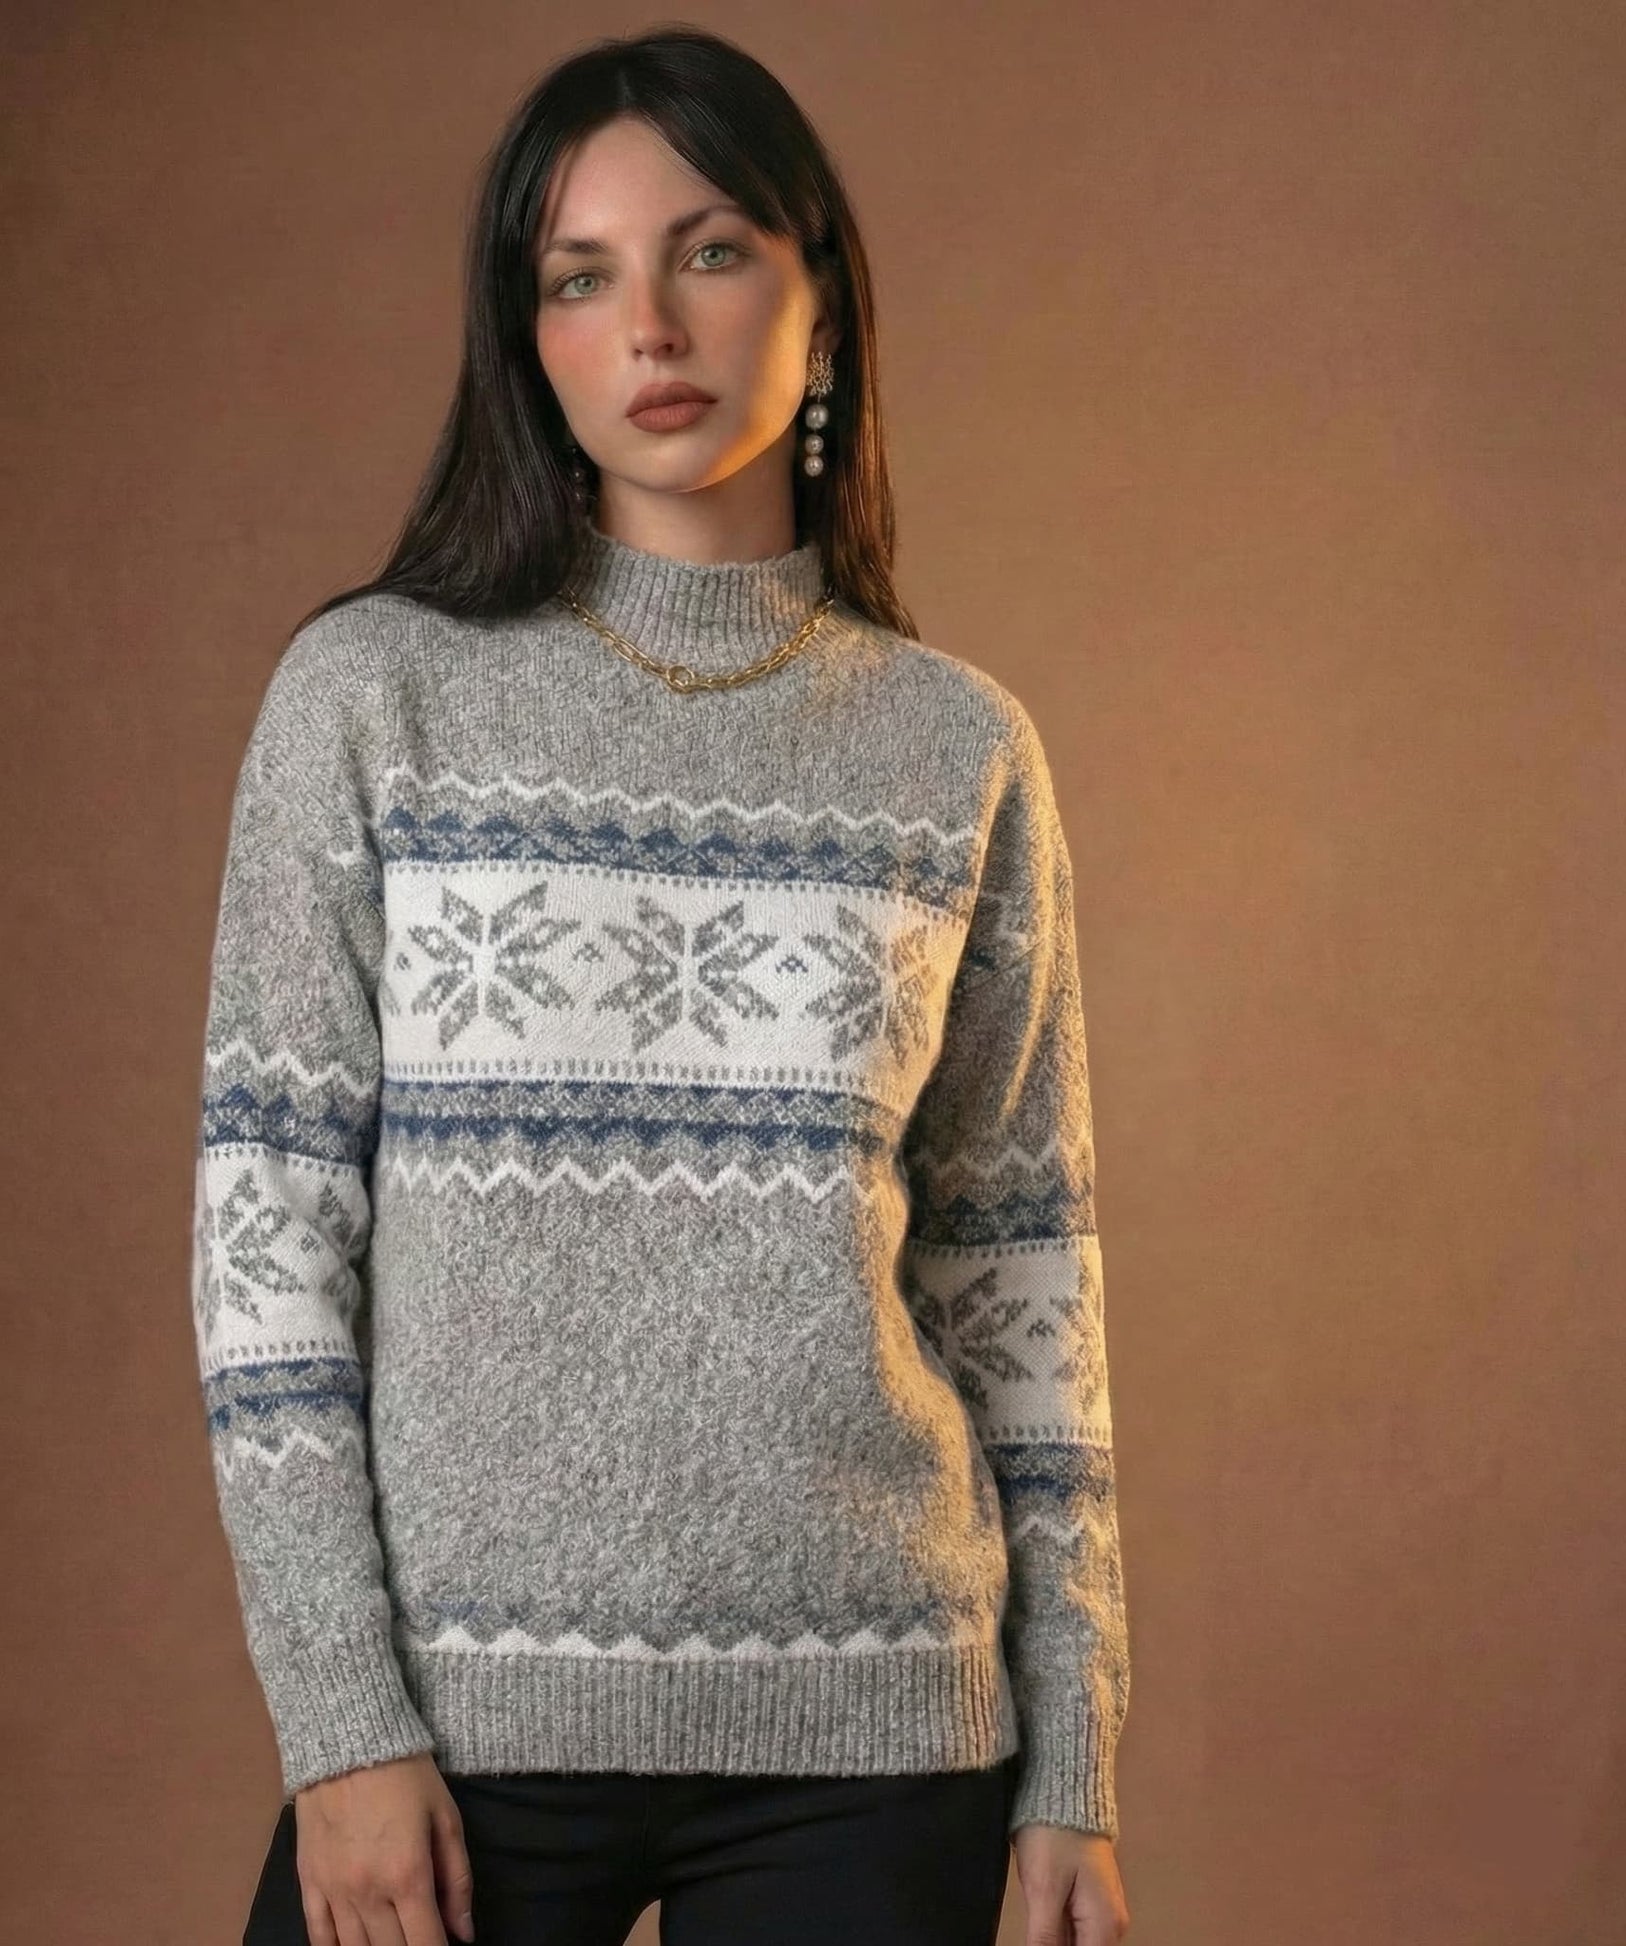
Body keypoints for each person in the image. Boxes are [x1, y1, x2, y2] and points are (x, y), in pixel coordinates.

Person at [194, 26, 1132, 1946]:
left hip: (880, 1729)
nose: (648, 326)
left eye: (709, 252)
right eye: (578, 275)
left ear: (820, 299)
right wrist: (338, 1718)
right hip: (456, 1727)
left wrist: (1075, 1763)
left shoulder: (958, 751)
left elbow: (1020, 1282)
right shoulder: (372, 697)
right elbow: (266, 1240)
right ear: (524, 336)